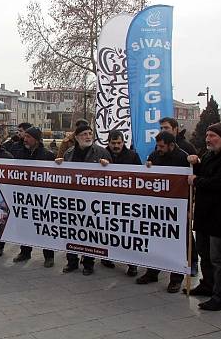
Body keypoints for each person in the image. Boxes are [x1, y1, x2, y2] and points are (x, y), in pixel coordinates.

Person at [135, 131, 190, 293]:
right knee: (155, 240)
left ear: (171, 145)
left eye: (161, 146)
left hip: (176, 208)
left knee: (176, 244)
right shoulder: (155, 155)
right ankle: (152, 272)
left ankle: (176, 278)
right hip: (157, 207)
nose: (158, 148)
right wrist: (148, 168)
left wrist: (188, 208)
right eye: (157, 145)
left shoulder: (183, 157)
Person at [184, 123, 221, 311]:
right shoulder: (209, 155)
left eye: (213, 136)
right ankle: (208, 285)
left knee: (219, 258)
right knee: (205, 253)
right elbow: (202, 175)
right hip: (204, 214)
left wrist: (197, 180)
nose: (208, 139)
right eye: (207, 135)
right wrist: (196, 166)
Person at [56, 124, 112, 275]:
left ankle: (88, 263)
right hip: (73, 199)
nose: (88, 136)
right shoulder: (69, 153)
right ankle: (72, 261)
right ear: (76, 138)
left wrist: (107, 166)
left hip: (93, 201)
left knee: (89, 232)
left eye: (89, 133)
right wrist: (59, 165)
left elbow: (113, 177)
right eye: (84, 134)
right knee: (71, 231)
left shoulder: (101, 152)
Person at [98, 130, 142, 277]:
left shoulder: (132, 155)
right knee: (108, 231)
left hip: (127, 201)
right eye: (113, 143)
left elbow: (140, 176)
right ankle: (108, 257)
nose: (116, 146)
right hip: (107, 200)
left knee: (128, 233)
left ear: (123, 142)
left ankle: (132, 264)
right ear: (108, 142)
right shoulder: (101, 154)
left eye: (119, 143)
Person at [159, 117, 199, 276]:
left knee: (186, 233)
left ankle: (193, 261)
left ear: (175, 129)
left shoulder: (187, 147)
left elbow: (195, 175)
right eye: (161, 128)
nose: (163, 131)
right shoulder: (158, 147)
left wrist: (190, 205)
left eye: (166, 128)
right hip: (164, 199)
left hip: (181, 200)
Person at [13, 127, 57, 268]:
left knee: (44, 227)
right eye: (24, 136)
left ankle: (49, 256)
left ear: (37, 140)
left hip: (42, 197)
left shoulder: (48, 155)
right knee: (24, 225)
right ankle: (25, 252)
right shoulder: (19, 153)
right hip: (24, 196)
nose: (25, 139)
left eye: (28, 137)